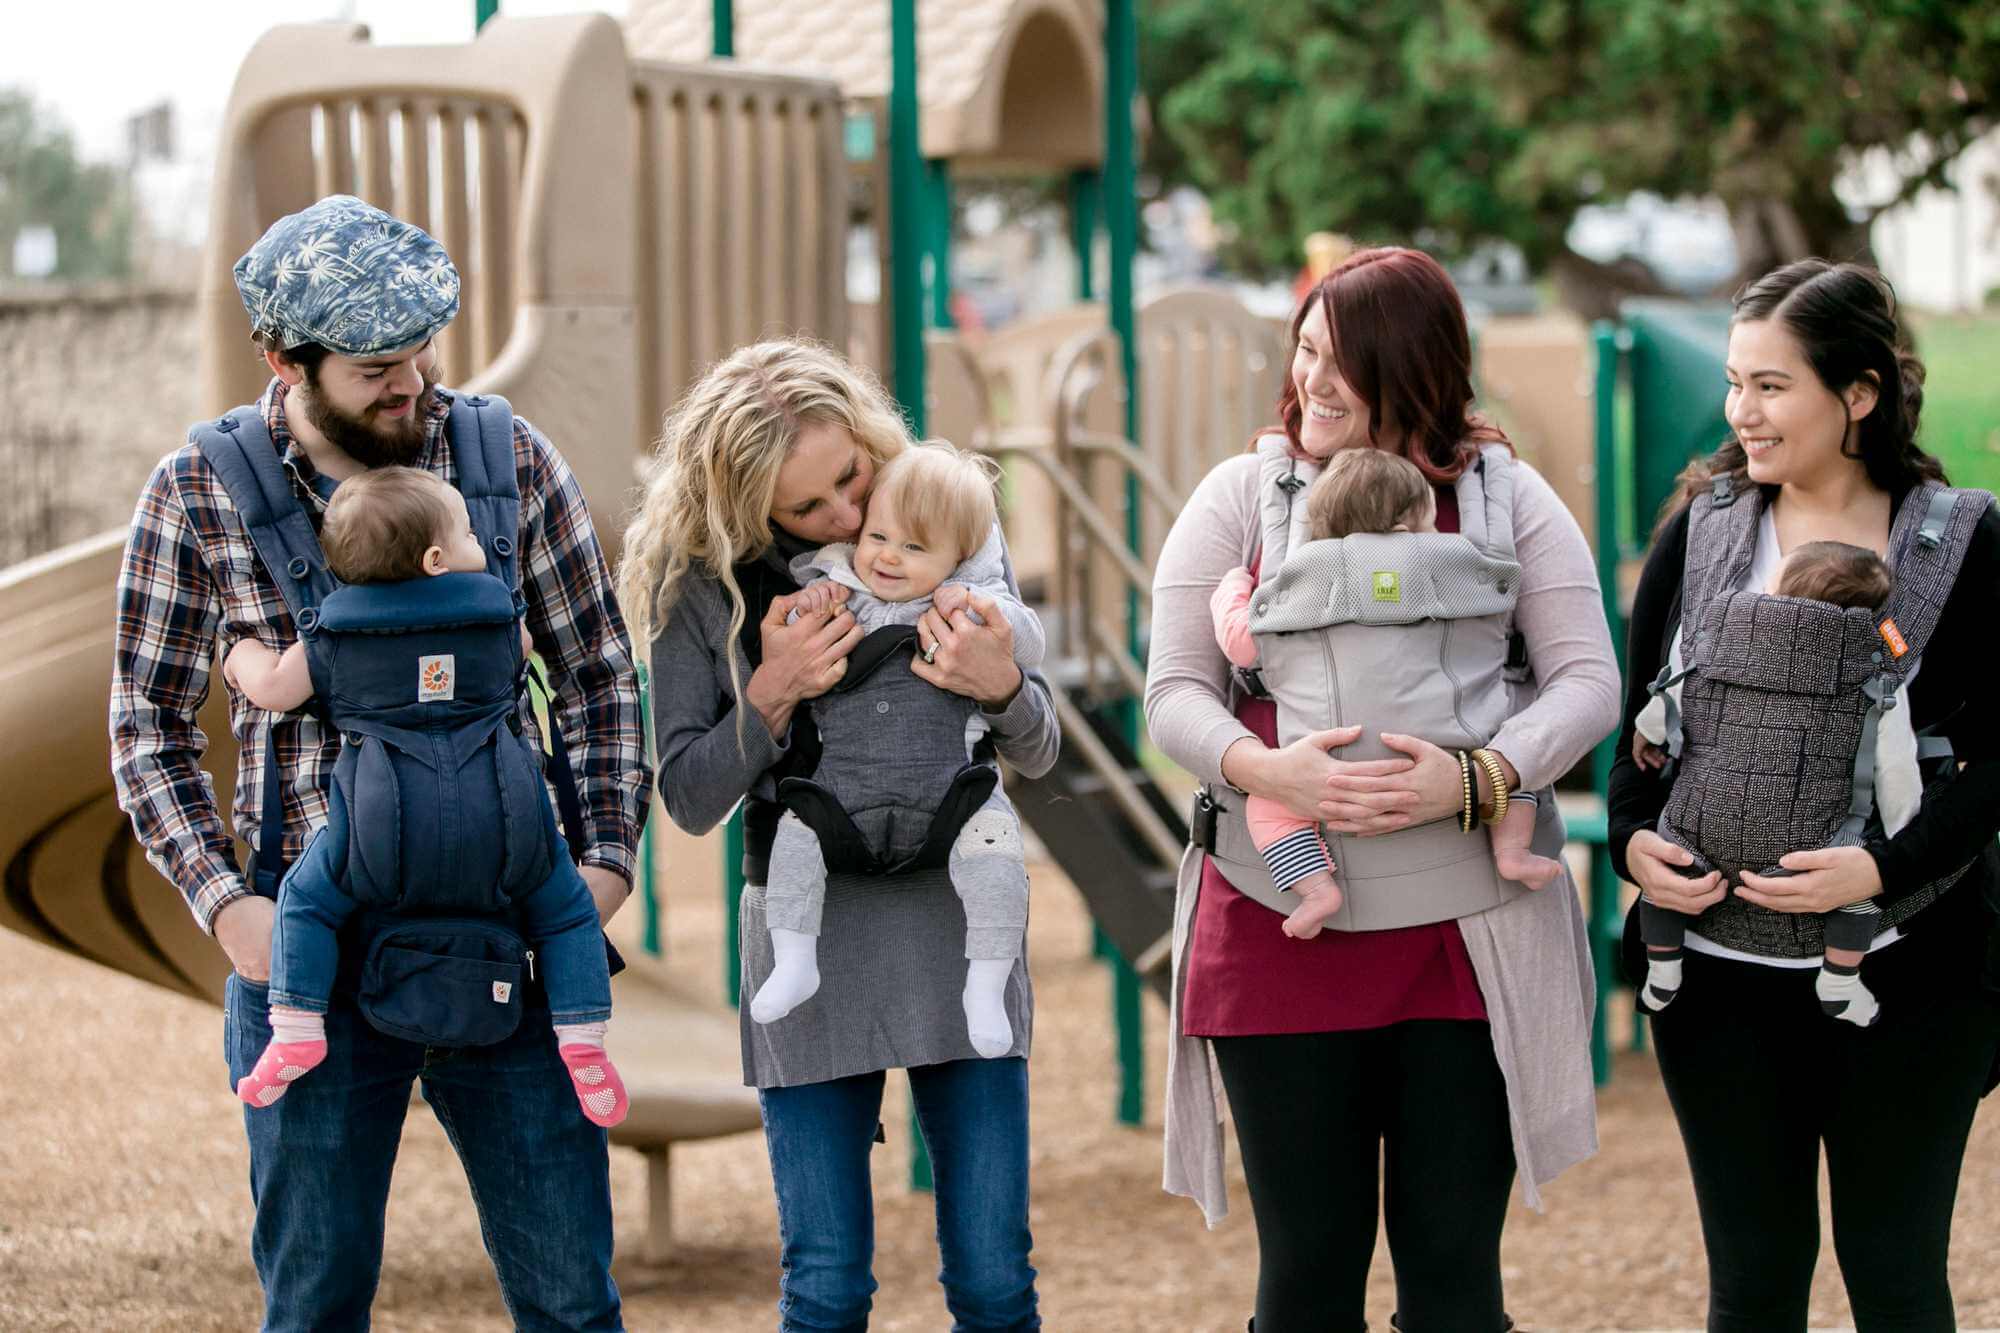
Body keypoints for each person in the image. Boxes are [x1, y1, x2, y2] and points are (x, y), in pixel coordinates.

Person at [110, 194, 646, 1331]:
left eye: (418, 357)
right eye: (373, 370)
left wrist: (600, 863)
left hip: (511, 945)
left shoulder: (507, 460)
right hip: (311, 959)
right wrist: (229, 910)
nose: (411, 388)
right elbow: (144, 728)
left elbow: (599, 673)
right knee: (312, 1307)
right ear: (282, 360)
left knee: (569, 1301)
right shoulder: (196, 491)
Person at [1146, 246, 1616, 1332]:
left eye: (1341, 363)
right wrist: (1270, 770)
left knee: (1452, 1272)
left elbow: (1586, 679)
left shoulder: (1507, 501)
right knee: (1307, 1270)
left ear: (1412, 372)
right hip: (1280, 920)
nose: (1311, 381)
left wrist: (1479, 776)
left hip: (1464, 932)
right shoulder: (1238, 496)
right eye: (1303, 351)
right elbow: (1173, 690)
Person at [620, 339, 1054, 1331]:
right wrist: (770, 691)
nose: (852, 521)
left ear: (866, 436)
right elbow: (686, 797)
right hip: (806, 937)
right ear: (745, 511)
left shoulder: (938, 516)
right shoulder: (705, 587)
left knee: (992, 1283)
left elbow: (1039, 748)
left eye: (849, 480)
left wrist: (1002, 684)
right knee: (824, 1289)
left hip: (957, 928)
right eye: (807, 510)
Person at [1608, 259, 2000, 1330]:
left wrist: (1882, 866)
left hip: (1907, 974)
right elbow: (1635, 735)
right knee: (1752, 1284)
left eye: (1770, 386)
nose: (1739, 411)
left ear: (1858, 392)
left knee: (1894, 1278)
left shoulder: (1960, 540)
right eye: (1735, 382)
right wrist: (1634, 847)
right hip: (1717, 982)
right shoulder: (1699, 530)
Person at [223, 466, 626, 1125]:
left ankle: (297, 1025)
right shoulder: (497, 621)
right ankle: (583, 1040)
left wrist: (240, 651)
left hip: (382, 825)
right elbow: (526, 649)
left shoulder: (335, 635)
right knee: (565, 912)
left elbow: (269, 687)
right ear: (437, 560)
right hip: (505, 818)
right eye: (468, 532)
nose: (477, 540)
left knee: (307, 901)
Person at [750, 442, 1046, 1060]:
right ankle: (795, 958)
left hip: (952, 796)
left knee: (996, 859)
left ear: (959, 559)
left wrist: (989, 620)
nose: (886, 555)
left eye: (914, 548)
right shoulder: (838, 578)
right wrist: (812, 607)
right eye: (880, 536)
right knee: (796, 839)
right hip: (844, 789)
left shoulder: (970, 599)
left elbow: (1029, 645)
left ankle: (985, 984)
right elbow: (804, 605)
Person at [1208, 445, 1564, 940]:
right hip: (1452, 757)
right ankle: (1512, 853)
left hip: (1330, 769)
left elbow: (1240, 644)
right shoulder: (1461, 577)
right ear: (1405, 529)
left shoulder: (1297, 589)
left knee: (1267, 807)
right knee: (1513, 770)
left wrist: (1232, 589)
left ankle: (1315, 888)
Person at [1628, 539, 1917, 1026]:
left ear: (1777, 591)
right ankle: (1840, 981)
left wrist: (1646, 733)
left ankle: (1663, 969)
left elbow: (1667, 700)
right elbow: (1896, 768)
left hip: (1700, 832)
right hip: (1808, 848)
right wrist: (1901, 830)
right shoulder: (1878, 681)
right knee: (1857, 901)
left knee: (1663, 885)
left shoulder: (1713, 647)